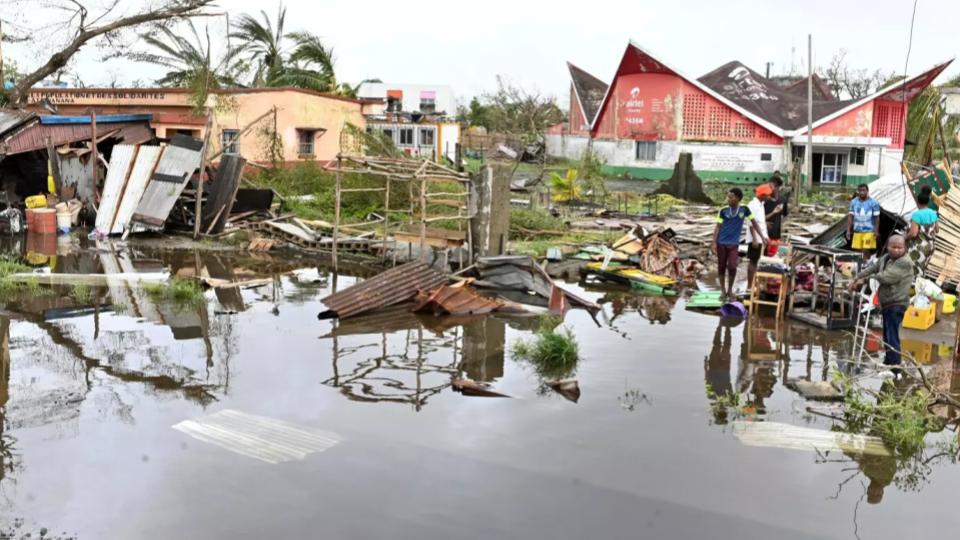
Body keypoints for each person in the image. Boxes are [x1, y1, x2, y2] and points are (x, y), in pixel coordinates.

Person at [849, 235, 913, 367]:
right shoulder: (885, 258)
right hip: (887, 303)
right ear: (887, 247)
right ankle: (888, 361)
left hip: (897, 302)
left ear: (904, 248)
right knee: (887, 335)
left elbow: (886, 277)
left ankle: (895, 366)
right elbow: (872, 268)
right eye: (893, 247)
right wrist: (857, 277)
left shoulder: (904, 262)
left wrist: (865, 280)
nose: (896, 250)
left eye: (899, 248)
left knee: (892, 335)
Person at [712, 187, 767, 301]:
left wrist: (762, 236)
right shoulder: (723, 211)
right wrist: (713, 243)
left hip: (733, 244)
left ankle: (730, 290)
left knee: (732, 266)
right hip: (721, 243)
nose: (728, 199)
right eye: (728, 197)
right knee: (721, 267)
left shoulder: (744, 209)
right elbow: (718, 227)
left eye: (730, 197)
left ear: (737, 198)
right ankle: (723, 291)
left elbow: (754, 223)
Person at [745, 184, 773, 288]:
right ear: (762, 195)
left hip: (761, 238)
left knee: (758, 261)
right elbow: (751, 222)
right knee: (753, 261)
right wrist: (755, 239)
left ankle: (755, 285)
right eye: (767, 195)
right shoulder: (753, 205)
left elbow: (761, 223)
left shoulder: (761, 205)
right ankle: (749, 287)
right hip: (755, 238)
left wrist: (765, 236)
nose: (768, 197)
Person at [906, 191, 939, 277]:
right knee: (922, 268)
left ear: (917, 202)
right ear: (928, 202)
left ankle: (912, 286)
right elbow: (937, 229)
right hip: (931, 246)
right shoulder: (934, 213)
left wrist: (904, 238)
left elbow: (913, 233)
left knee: (913, 269)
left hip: (920, 246)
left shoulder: (917, 214)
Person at [847, 183, 881, 260]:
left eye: (863, 190)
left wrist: (876, 230)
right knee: (858, 250)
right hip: (857, 230)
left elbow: (877, 217)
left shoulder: (873, 202)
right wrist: (848, 230)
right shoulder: (853, 202)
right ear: (858, 191)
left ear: (867, 191)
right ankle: (860, 265)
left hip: (869, 231)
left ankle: (866, 264)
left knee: (866, 249)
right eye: (860, 190)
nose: (861, 192)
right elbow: (850, 216)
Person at [764, 175, 788, 255]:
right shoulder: (765, 200)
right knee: (763, 254)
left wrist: (780, 226)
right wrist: (765, 223)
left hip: (776, 233)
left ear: (777, 187)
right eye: (768, 186)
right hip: (764, 232)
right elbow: (758, 218)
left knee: (772, 255)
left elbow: (785, 215)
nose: (769, 189)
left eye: (771, 186)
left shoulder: (783, 199)